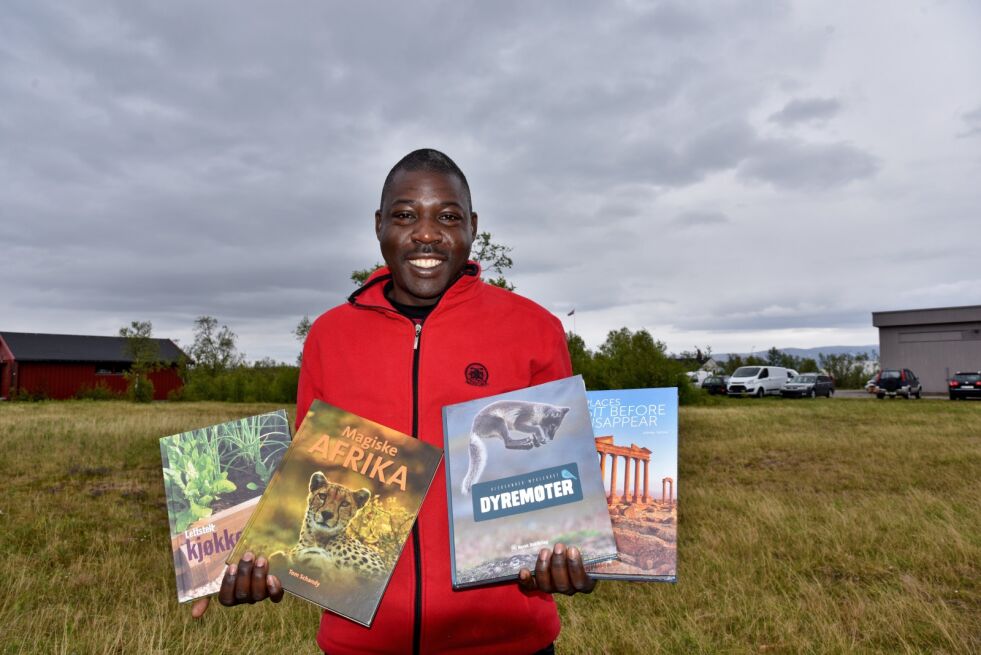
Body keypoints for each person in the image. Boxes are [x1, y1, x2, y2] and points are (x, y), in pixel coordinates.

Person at [192, 149, 596, 654]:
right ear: (379, 224)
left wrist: (576, 556)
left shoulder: (533, 329)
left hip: (508, 641)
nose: (426, 233)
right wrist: (231, 564)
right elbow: (296, 480)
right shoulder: (328, 336)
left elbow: (564, 486)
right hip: (361, 643)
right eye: (405, 215)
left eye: (447, 217)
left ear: (472, 226)